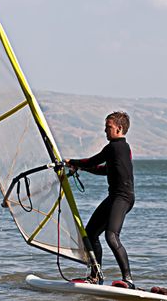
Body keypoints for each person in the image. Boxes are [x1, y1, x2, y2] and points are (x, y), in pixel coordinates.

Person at [65, 111, 135, 289]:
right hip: (115, 197)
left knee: (111, 236)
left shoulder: (115, 147)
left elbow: (92, 160)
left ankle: (128, 279)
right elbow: (104, 169)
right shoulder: (121, 149)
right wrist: (81, 167)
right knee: (90, 233)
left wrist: (71, 161)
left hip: (123, 197)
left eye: (108, 127)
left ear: (119, 128)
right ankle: (95, 276)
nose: (105, 131)